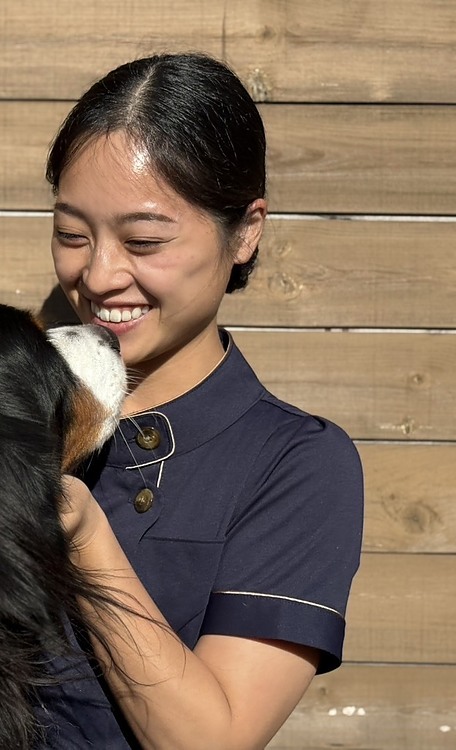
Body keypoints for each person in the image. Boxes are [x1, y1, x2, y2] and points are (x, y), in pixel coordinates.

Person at [35, 52, 365, 749]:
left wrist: (83, 531)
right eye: (71, 234)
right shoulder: (2, 407)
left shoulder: (295, 465)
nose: (97, 274)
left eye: (144, 240)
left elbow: (208, 741)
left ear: (245, 232)